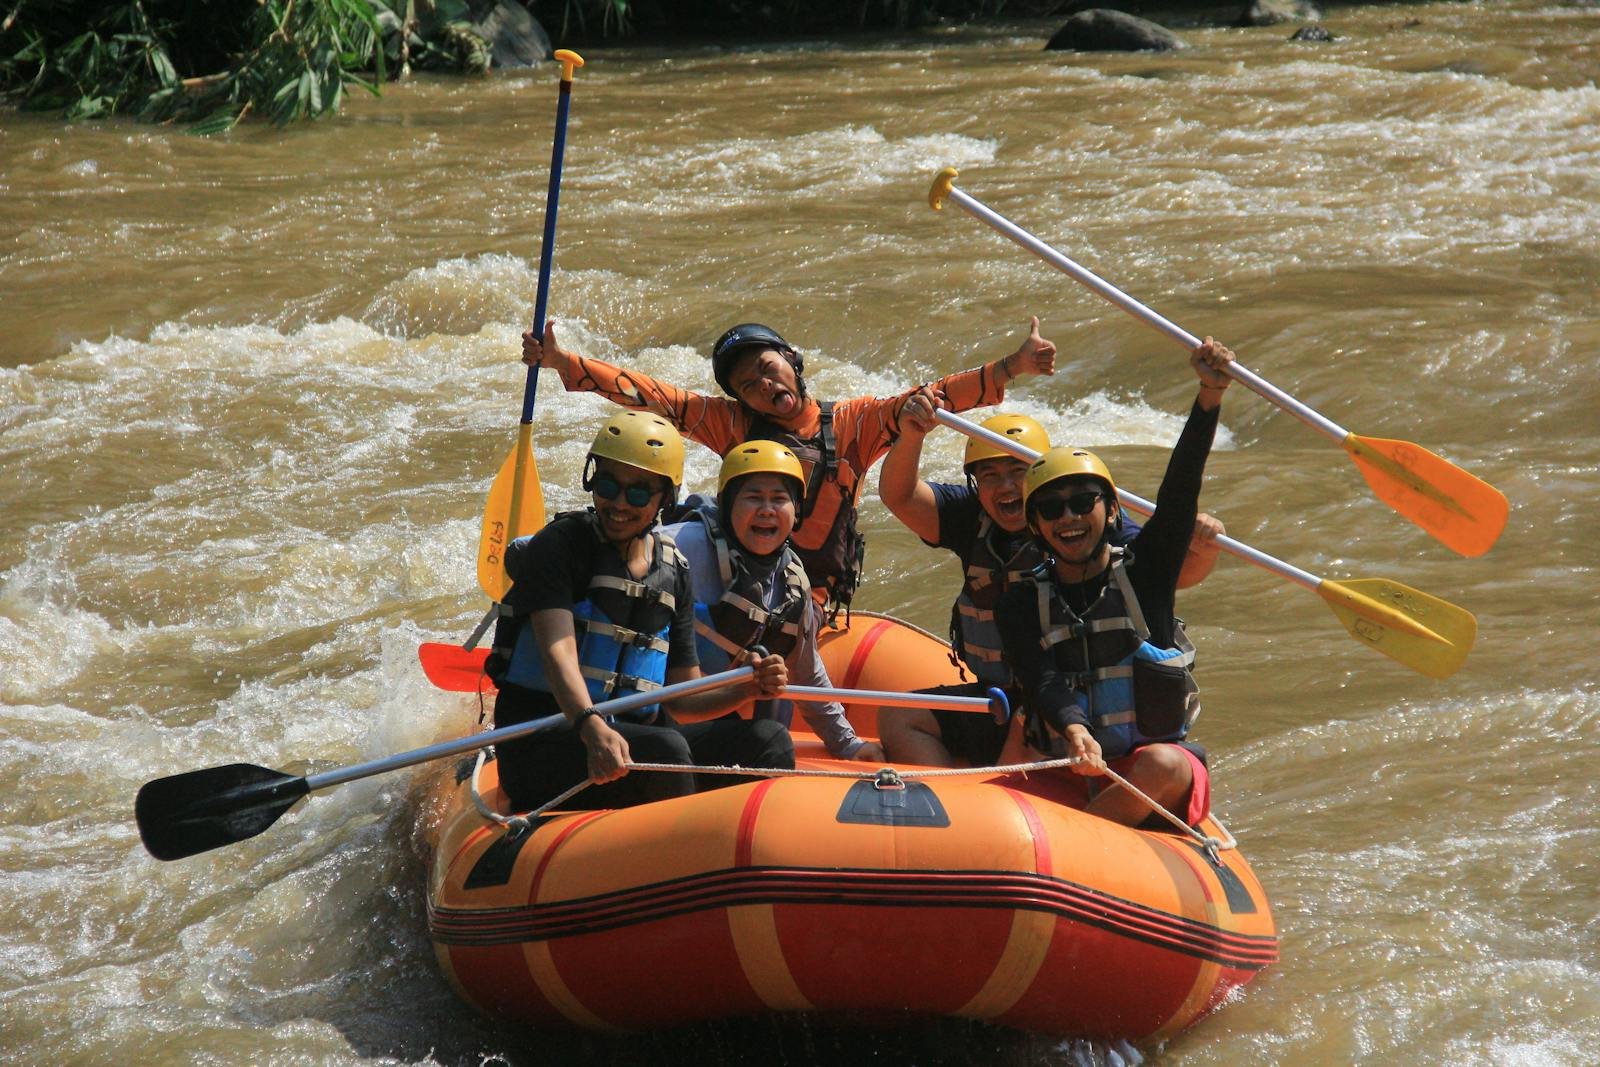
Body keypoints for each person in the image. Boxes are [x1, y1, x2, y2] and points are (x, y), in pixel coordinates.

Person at [521, 316, 1056, 618]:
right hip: (733, 576)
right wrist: (565, 363)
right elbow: (652, 397)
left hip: (808, 598)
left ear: (792, 360)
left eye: (767, 370)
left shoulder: (852, 424)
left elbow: (931, 397)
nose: (764, 387)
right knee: (683, 521)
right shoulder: (729, 422)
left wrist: (1013, 365)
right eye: (748, 385)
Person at [875, 402, 1226, 768]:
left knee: (1040, 730)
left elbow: (1168, 575)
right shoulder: (970, 517)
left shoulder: (1095, 522)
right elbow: (900, 497)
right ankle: (961, 809)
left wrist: (1199, 548)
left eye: (1018, 471)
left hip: (1076, 699)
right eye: (991, 476)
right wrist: (912, 434)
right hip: (1010, 698)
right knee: (900, 716)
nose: (1007, 487)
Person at [485, 410, 793, 811]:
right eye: (608, 484)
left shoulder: (674, 571)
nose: (618, 503)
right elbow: (556, 650)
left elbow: (683, 699)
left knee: (767, 740)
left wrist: (747, 688)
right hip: (547, 737)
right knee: (664, 750)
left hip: (633, 738)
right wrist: (590, 725)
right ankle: (681, 855)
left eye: (638, 493)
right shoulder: (560, 546)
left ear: (665, 497)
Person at [994, 338, 1236, 828]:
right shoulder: (1021, 600)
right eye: (1051, 508)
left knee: (1161, 763)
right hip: (1080, 764)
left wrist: (1209, 395)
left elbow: (1179, 491)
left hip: (1154, 774)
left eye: (1083, 501)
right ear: (1036, 525)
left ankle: (1082, 838)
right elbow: (1040, 678)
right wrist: (1075, 728)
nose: (1069, 517)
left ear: (1110, 512)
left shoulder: (1146, 572)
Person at [664, 440, 886, 763]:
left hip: (719, 722)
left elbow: (806, 672)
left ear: (796, 512)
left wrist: (847, 744)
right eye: (753, 497)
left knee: (772, 733)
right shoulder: (679, 546)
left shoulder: (794, 580)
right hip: (661, 716)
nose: (767, 509)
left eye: (779, 499)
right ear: (727, 505)